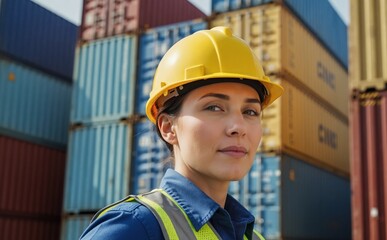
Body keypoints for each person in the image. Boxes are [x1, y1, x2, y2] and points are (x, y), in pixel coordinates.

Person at [80, 26, 283, 240]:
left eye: (250, 111)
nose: (238, 127)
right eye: (214, 107)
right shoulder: (133, 228)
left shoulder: (253, 237)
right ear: (168, 128)